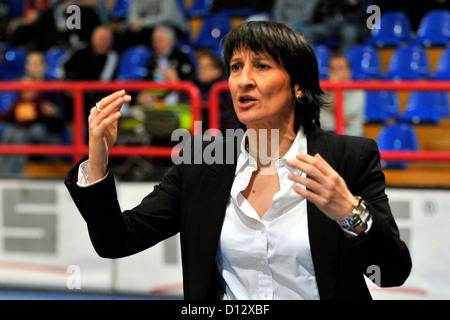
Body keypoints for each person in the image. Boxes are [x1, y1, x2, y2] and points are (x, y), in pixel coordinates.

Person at [64, 21, 411, 300]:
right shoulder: (202, 164)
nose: (244, 80)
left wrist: (350, 213)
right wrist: (98, 158)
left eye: (262, 66)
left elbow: (392, 272)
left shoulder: (348, 158)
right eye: (235, 67)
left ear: (298, 86)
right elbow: (117, 240)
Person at [0, 77, 63, 175]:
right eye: (24, 89)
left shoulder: (40, 102)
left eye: (29, 89)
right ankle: (4, 171)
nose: (26, 92)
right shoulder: (18, 102)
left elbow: (49, 121)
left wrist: (54, 113)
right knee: (9, 132)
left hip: (36, 132)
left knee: (30, 133)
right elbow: (9, 116)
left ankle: (16, 172)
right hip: (20, 131)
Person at [320, 55, 366, 136]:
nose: (336, 72)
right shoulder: (321, 90)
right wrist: (333, 89)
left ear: (349, 71)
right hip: (326, 135)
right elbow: (321, 120)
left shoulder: (357, 90)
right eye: (333, 69)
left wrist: (335, 90)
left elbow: (344, 115)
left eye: (340, 68)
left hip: (351, 135)